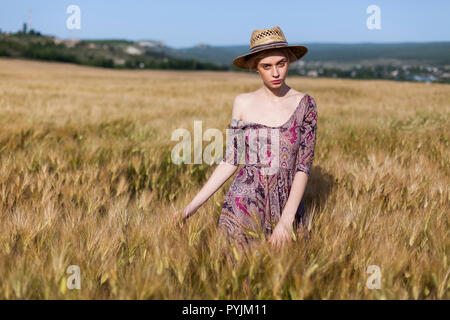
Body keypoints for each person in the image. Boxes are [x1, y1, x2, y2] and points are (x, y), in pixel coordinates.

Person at [172, 26, 318, 251]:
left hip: (288, 209)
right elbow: (231, 160)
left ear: (289, 61)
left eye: (281, 63)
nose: (276, 73)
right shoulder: (242, 103)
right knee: (239, 280)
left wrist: (287, 220)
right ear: (255, 68)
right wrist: (191, 207)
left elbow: (303, 167)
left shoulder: (305, 104)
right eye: (266, 66)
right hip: (242, 208)